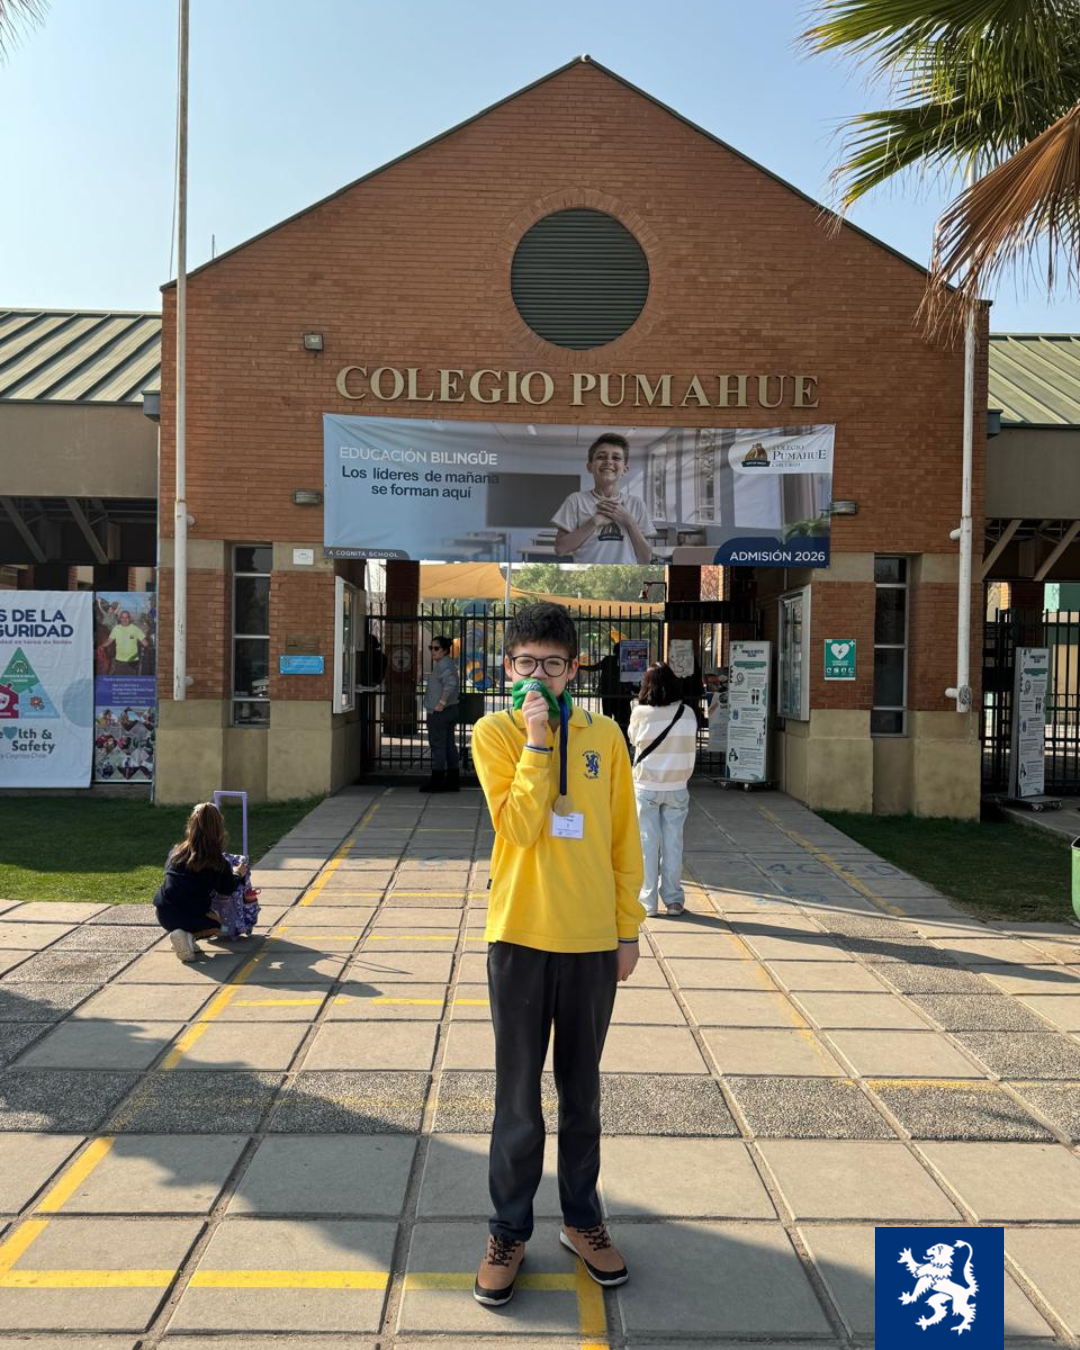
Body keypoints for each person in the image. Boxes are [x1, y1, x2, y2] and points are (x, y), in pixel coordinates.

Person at [470, 602, 644, 1308]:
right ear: (507, 668)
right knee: (517, 1101)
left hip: (590, 946)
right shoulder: (495, 733)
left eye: (551, 664)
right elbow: (517, 823)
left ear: (575, 668)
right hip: (517, 937)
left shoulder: (607, 735)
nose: (537, 675)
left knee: (582, 1097)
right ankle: (509, 1230)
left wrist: (627, 928)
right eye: (524, 663)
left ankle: (582, 1219)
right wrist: (538, 741)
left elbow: (624, 841)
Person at [627, 662, 697, 917]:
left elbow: (634, 740)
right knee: (673, 844)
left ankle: (648, 902)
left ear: (646, 685)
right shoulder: (687, 712)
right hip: (678, 786)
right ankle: (674, 900)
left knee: (647, 844)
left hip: (646, 786)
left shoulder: (639, 712)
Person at [153, 801, 248, 963]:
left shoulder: (176, 852)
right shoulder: (218, 862)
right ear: (219, 829)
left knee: (187, 907)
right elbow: (226, 890)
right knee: (216, 923)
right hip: (192, 917)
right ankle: (188, 936)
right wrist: (237, 874)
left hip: (163, 913)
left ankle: (185, 939)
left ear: (191, 826)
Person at [552, 433, 653, 564]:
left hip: (625, 578)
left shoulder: (636, 504)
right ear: (590, 466)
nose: (608, 462)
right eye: (601, 457)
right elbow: (560, 549)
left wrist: (628, 521)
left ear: (624, 469)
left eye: (616, 458)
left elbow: (646, 557)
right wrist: (595, 522)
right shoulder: (576, 501)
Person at [421, 634, 461, 793]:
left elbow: (450, 684)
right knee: (449, 745)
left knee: (438, 745)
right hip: (450, 710)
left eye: (436, 648)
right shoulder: (447, 663)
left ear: (445, 650)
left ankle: (437, 782)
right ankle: (453, 781)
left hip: (441, 712)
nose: (433, 651)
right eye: (431, 648)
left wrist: (441, 703)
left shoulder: (444, 665)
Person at [576, 643, 631, 736]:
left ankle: (608, 735)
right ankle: (621, 736)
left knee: (607, 717)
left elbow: (594, 668)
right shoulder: (626, 661)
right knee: (620, 719)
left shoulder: (608, 659)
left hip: (607, 693)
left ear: (614, 650)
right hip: (621, 694)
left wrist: (579, 666)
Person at [107, 610, 148, 675]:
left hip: (132, 661)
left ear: (129, 618)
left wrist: (143, 646)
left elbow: (145, 643)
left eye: (127, 617)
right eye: (123, 617)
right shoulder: (116, 629)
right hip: (119, 661)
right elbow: (109, 641)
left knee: (131, 682)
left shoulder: (135, 629)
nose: (125, 619)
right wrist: (101, 646)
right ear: (120, 619)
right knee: (120, 682)